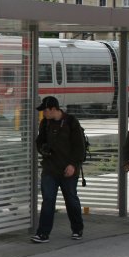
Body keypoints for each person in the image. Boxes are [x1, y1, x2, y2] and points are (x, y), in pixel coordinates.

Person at [31, 96, 86, 243]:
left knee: (71, 199)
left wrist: (73, 165)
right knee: (48, 200)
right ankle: (43, 233)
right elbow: (39, 141)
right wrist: (43, 149)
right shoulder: (45, 123)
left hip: (68, 169)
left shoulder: (71, 122)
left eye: (45, 110)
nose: (43, 113)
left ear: (53, 109)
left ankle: (77, 228)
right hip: (50, 169)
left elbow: (80, 147)